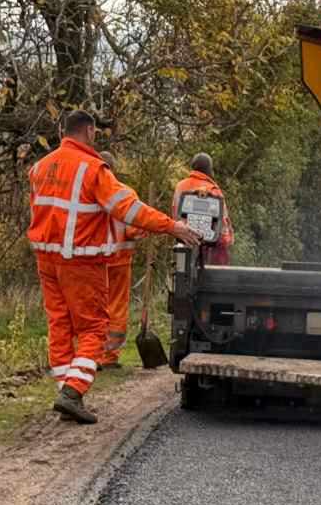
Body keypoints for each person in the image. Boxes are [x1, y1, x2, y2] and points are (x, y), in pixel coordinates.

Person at [28, 111, 199, 423]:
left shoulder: (40, 167)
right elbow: (130, 210)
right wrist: (172, 226)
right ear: (90, 131)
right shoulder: (94, 170)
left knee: (60, 325)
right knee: (94, 328)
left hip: (46, 259)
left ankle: (65, 388)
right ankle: (73, 392)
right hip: (82, 261)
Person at [96, 151, 134, 371]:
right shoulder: (125, 193)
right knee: (116, 307)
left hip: (94, 261)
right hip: (119, 261)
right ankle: (110, 356)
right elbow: (136, 230)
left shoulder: (87, 191)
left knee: (94, 307)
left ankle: (91, 353)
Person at [172, 152, 234, 267]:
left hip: (184, 240)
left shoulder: (180, 186)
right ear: (209, 169)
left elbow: (175, 214)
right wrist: (226, 240)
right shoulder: (214, 190)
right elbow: (222, 224)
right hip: (208, 248)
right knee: (216, 277)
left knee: (180, 274)